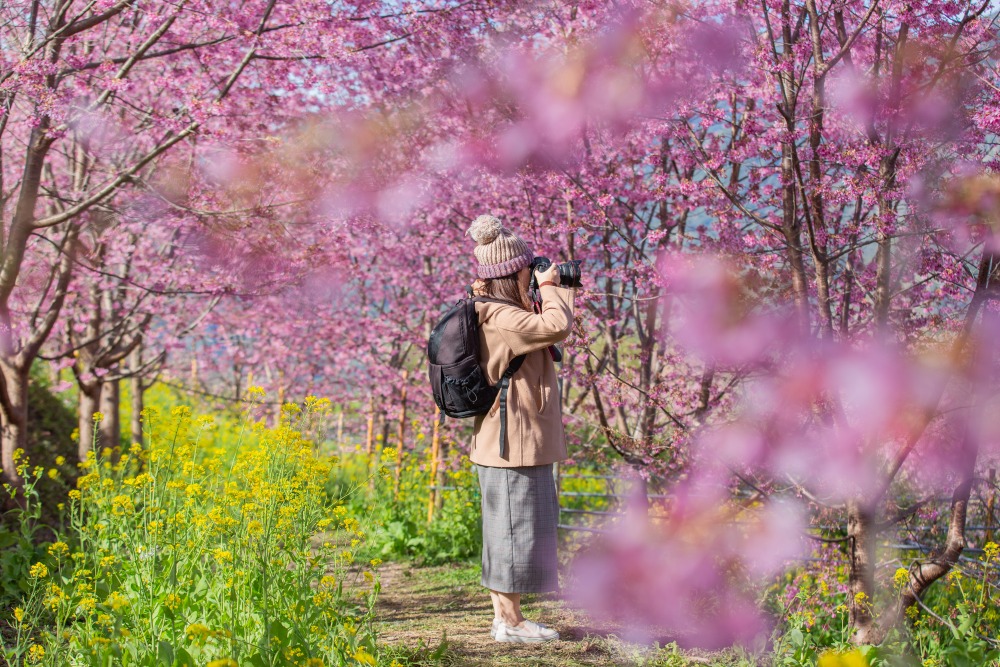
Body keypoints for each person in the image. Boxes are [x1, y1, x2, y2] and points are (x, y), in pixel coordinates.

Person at [465, 214, 575, 643]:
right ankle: (510, 625)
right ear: (513, 272)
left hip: (504, 440)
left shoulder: (493, 309)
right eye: (528, 268)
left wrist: (541, 291)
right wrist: (551, 289)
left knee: (506, 529)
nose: (534, 273)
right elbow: (555, 326)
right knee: (514, 531)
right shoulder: (500, 317)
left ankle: (505, 620)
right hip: (513, 443)